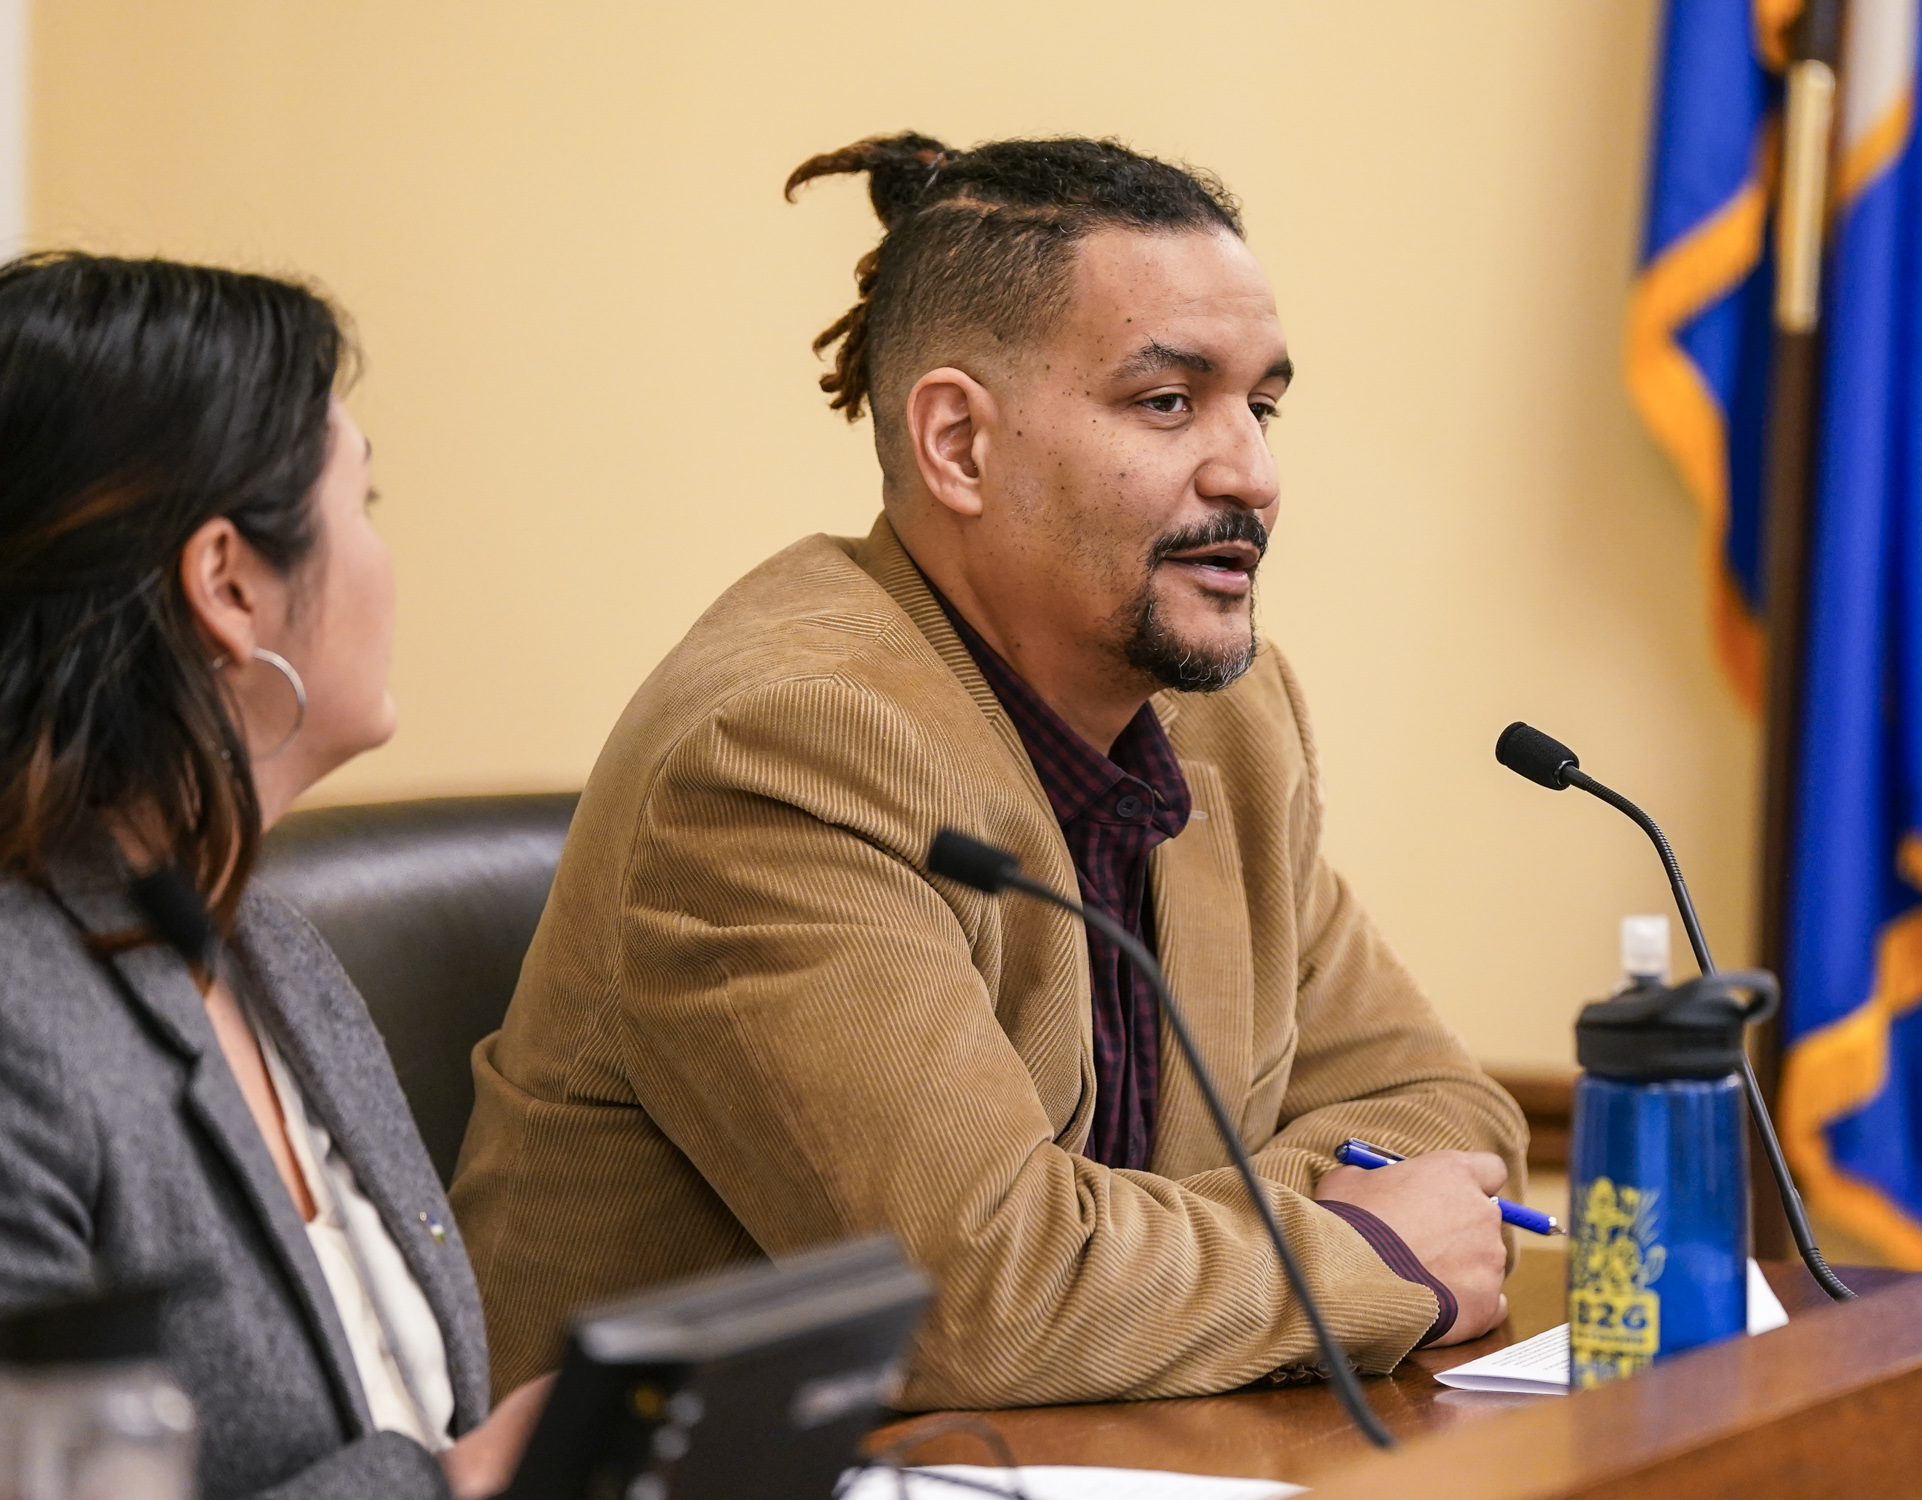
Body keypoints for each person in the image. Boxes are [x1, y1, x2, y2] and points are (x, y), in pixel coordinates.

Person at [453, 134, 1527, 1409]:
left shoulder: (1230, 721)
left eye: (1264, 404)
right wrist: (1360, 1249)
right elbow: (983, 1301)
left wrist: (1135, 1252)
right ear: (959, 443)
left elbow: (1446, 1112)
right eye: (1168, 403)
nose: (1253, 472)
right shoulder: (789, 746)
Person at [0, 254, 547, 1499]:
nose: (386, 557)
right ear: (231, 587)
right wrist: (462, 1488)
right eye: (366, 502)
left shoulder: (278, 954)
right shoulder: (17, 1022)